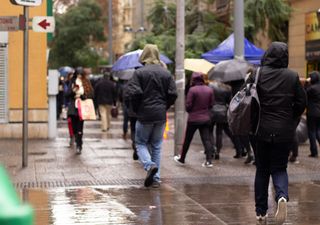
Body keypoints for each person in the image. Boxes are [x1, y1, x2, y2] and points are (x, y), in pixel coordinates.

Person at [248, 42, 306, 224]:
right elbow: (301, 102)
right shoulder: (292, 76)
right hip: (284, 131)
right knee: (280, 168)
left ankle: (261, 212)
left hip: (261, 130)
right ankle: (281, 196)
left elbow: (249, 101)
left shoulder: (257, 74)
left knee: (262, 170)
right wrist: (291, 118)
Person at [126, 44, 177, 188]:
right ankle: (156, 179)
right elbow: (173, 93)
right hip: (160, 114)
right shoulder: (166, 73)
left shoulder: (139, 73)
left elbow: (133, 93)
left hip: (144, 114)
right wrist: (164, 106)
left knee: (140, 143)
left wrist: (137, 109)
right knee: (156, 146)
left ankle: (149, 166)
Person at [174, 72, 215, 167]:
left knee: (187, 140)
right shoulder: (209, 90)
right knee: (207, 140)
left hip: (193, 119)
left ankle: (182, 159)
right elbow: (211, 104)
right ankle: (209, 161)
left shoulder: (192, 90)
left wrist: (192, 110)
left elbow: (188, 106)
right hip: (205, 118)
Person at [66, 67, 94, 154]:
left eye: (80, 74)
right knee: (74, 127)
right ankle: (76, 137)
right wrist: (73, 91)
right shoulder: (72, 81)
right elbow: (67, 94)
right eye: (77, 74)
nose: (79, 76)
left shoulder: (86, 82)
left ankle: (79, 145)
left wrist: (84, 96)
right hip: (73, 107)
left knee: (80, 127)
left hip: (83, 107)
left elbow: (92, 94)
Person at [208, 80, 237, 160]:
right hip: (222, 112)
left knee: (210, 131)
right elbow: (230, 102)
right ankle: (218, 151)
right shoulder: (227, 89)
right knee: (219, 133)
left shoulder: (211, 86)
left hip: (212, 111)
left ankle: (212, 149)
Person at [305, 71, 320, 158]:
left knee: (312, 132)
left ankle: (314, 151)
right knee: (318, 131)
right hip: (319, 112)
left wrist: (306, 83)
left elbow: (304, 92)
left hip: (312, 112)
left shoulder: (311, 88)